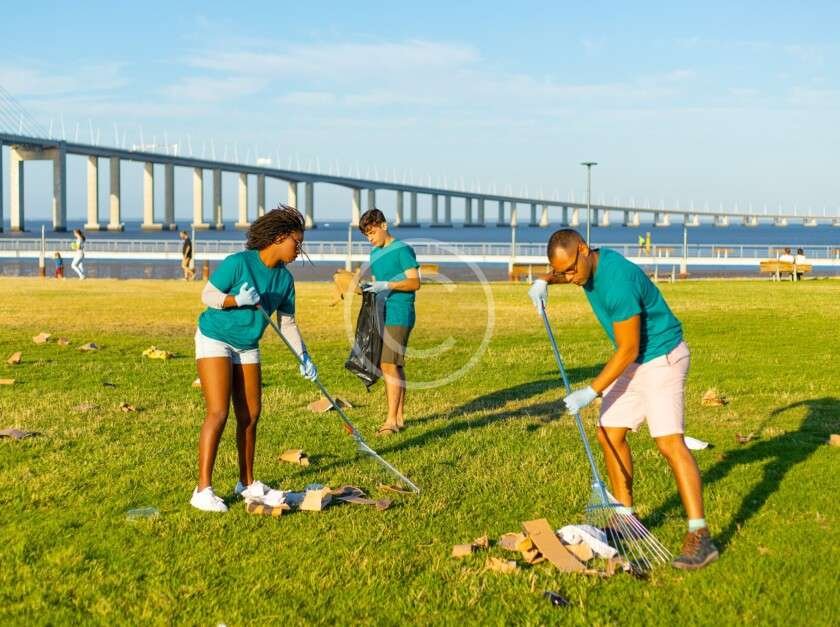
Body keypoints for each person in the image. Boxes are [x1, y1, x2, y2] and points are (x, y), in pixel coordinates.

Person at [528, 229, 718, 570]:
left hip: (662, 357)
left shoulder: (618, 282)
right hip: (635, 362)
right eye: (562, 272)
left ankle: (700, 534)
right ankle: (625, 518)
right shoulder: (585, 265)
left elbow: (628, 348)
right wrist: (545, 280)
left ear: (583, 249)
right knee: (609, 431)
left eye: (570, 270)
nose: (569, 278)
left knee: (669, 443)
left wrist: (591, 391)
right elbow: (565, 270)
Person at [190, 206, 318, 513]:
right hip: (215, 337)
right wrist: (236, 300)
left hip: (248, 344)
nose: (299, 250)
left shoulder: (285, 280)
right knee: (219, 412)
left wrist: (303, 356)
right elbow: (208, 296)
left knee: (251, 414)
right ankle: (202, 490)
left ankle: (246, 483)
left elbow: (287, 323)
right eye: (297, 243)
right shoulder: (238, 263)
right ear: (279, 238)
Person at [358, 208, 421, 436]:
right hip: (381, 311)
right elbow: (378, 282)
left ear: (384, 226)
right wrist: (370, 288)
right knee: (395, 364)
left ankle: (391, 421)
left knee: (387, 364)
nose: (370, 238)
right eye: (366, 235)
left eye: (372, 232)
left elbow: (415, 283)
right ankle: (400, 418)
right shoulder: (375, 254)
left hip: (400, 312)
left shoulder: (402, 250)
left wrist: (387, 285)